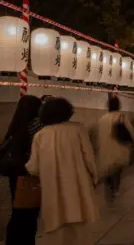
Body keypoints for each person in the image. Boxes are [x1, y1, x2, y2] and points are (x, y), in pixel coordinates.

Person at [26, 97, 98, 245]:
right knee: (79, 227)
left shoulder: (40, 135)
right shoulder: (78, 129)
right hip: (77, 186)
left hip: (52, 189)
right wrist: (94, 176)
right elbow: (89, 157)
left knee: (56, 228)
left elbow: (34, 166)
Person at [3, 95, 43, 245]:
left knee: (17, 208)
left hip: (15, 173)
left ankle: (12, 240)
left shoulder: (16, 124)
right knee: (29, 212)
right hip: (29, 174)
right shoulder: (37, 125)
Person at [95, 95, 134, 202]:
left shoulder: (102, 119)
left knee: (108, 171)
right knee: (117, 170)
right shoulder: (122, 118)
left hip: (105, 152)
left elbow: (97, 136)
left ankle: (109, 189)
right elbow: (131, 134)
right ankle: (115, 188)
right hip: (120, 150)